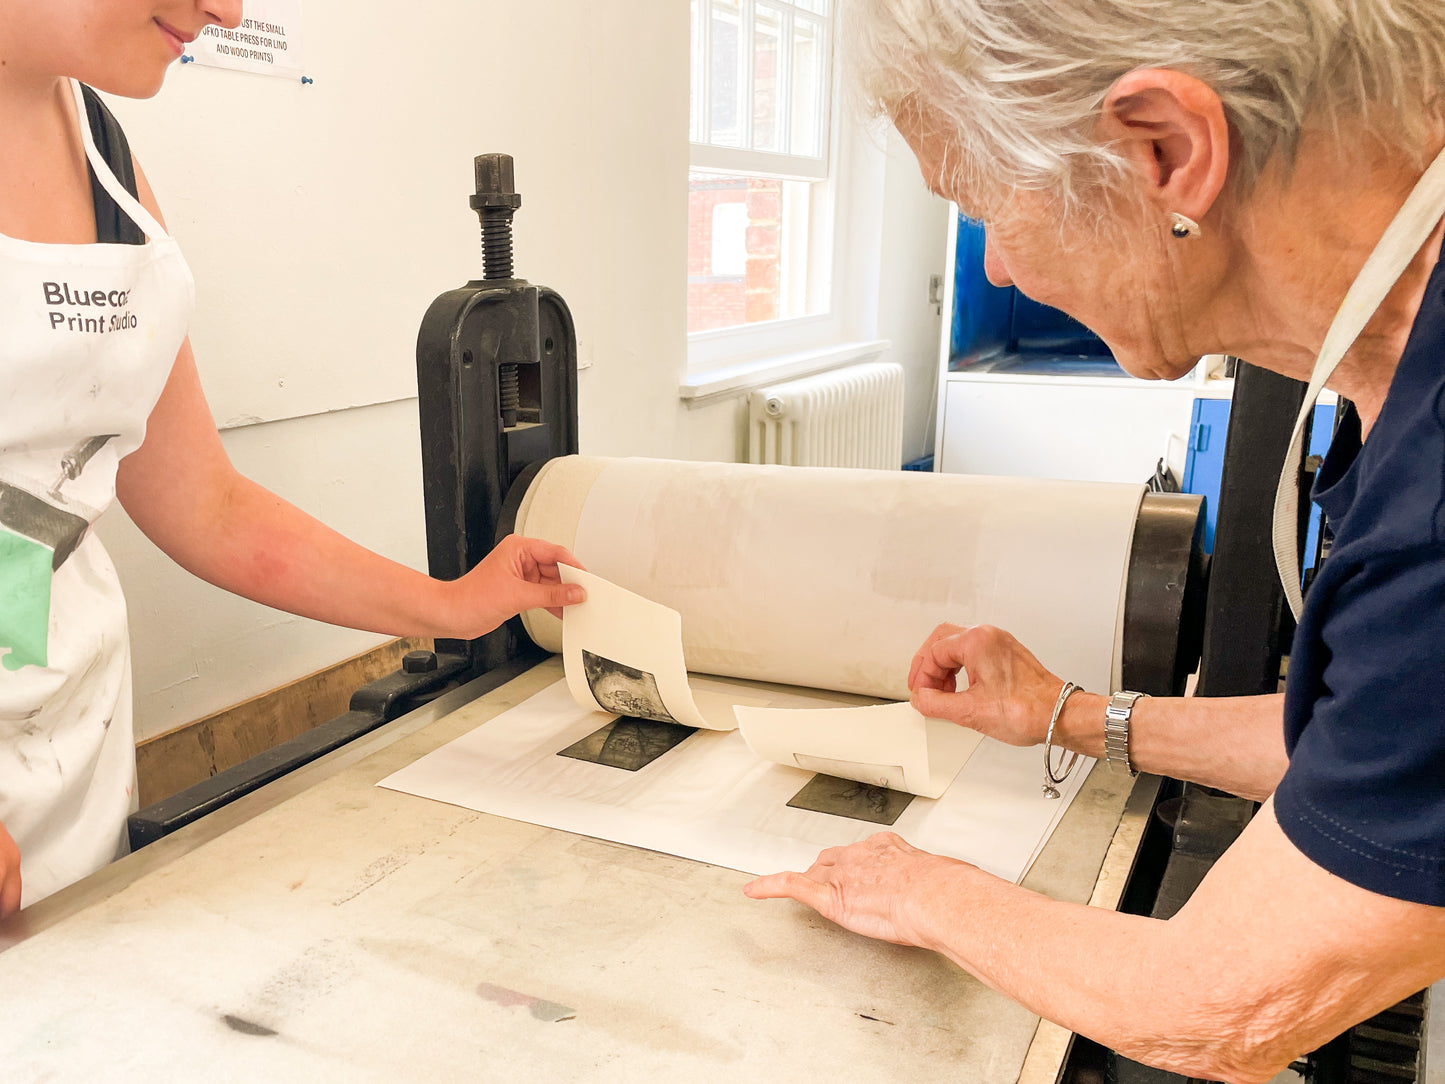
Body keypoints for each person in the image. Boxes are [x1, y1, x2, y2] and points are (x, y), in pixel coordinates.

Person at [744, 2, 1445, 1080]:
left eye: (985, 210)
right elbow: (1362, 745)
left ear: (1165, 150)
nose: (999, 274)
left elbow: (1223, 1006)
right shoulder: (1392, 382)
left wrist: (916, 885)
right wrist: (1068, 716)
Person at [0, 1, 584, 917]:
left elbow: (207, 508)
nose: (227, 10)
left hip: (65, 747)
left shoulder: (100, 152)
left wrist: (453, 603)